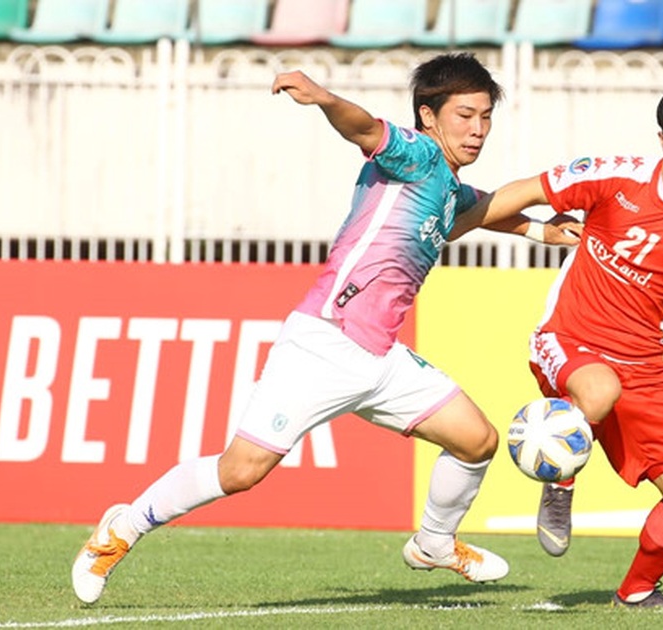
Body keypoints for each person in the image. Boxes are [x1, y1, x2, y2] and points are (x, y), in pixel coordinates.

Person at [71, 52, 577, 604]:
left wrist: (546, 233)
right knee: (240, 472)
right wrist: (326, 99)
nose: (477, 130)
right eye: (464, 116)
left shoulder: (448, 184)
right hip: (324, 342)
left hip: (381, 358)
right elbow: (365, 129)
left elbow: (483, 209)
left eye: (485, 118)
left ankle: (434, 542)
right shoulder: (418, 154)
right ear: (429, 117)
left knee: (477, 440)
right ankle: (121, 529)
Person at [457, 81, 663, 607]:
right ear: (661, 138)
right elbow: (522, 193)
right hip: (568, 339)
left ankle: (637, 592)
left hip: (645, 365)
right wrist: (452, 226)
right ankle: (560, 480)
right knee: (597, 391)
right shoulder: (613, 176)